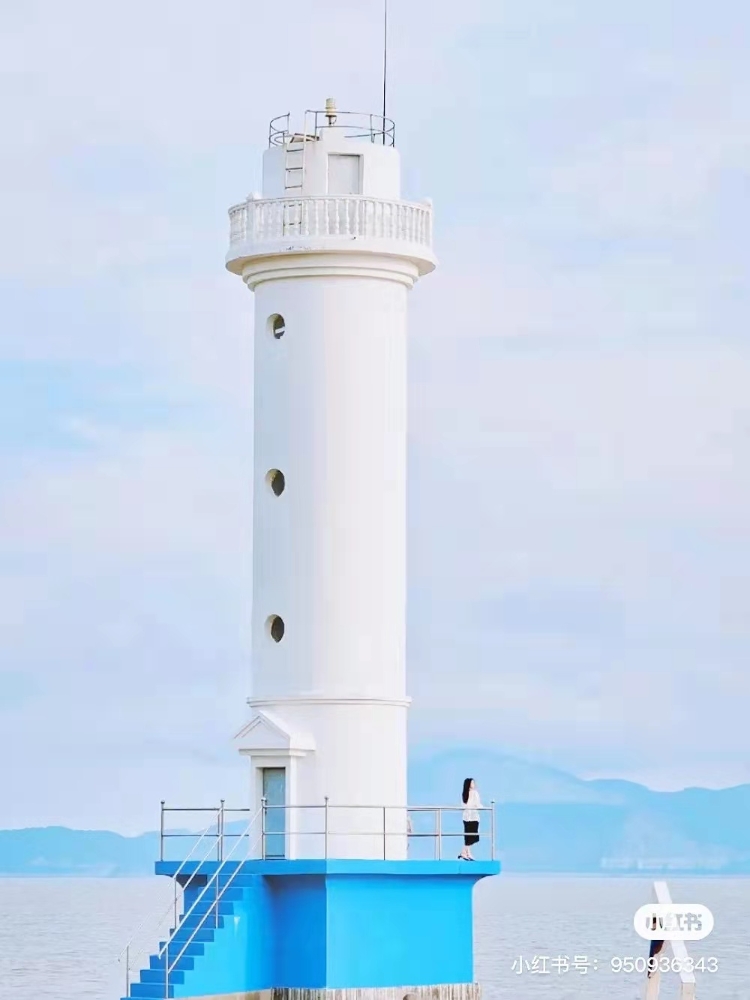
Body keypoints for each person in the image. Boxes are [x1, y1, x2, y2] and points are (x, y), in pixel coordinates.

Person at [459, 777, 481, 860]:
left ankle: (467, 853)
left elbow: (463, 805)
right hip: (473, 816)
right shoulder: (474, 793)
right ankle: (464, 852)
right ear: (469, 784)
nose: (474, 784)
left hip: (466, 817)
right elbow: (477, 804)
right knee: (472, 836)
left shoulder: (464, 794)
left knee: (469, 837)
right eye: (472, 783)